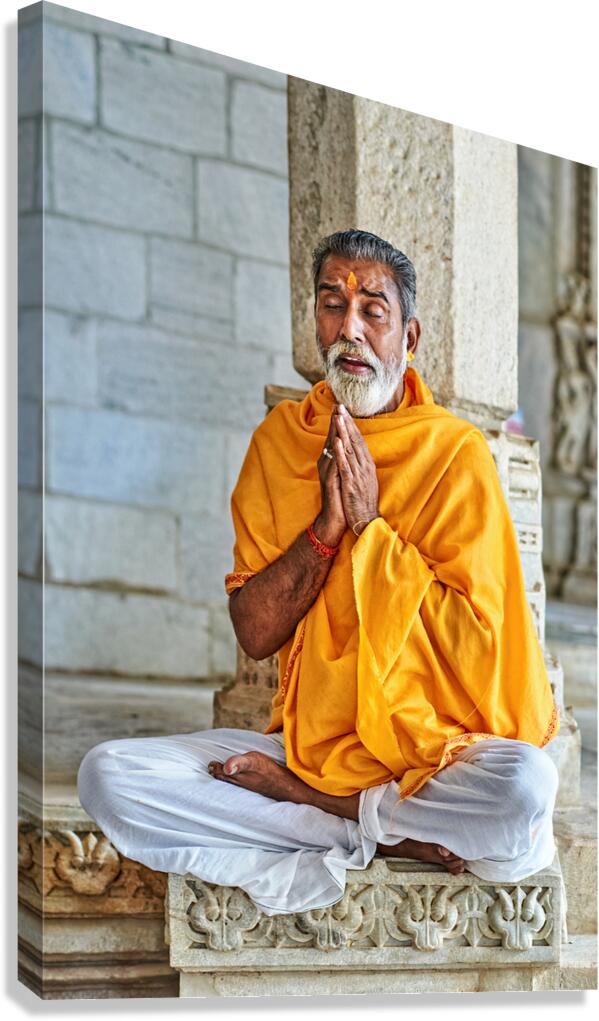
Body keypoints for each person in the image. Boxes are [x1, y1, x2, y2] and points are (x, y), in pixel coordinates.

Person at [77, 229, 560, 918]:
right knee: (109, 776)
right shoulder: (281, 444)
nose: (349, 329)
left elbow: (485, 653)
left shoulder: (455, 456)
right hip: (311, 747)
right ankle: (382, 829)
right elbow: (255, 631)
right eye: (332, 305)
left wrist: (373, 532)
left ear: (408, 334)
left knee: (523, 793)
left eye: (372, 310)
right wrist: (328, 532)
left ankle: (326, 811)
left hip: (431, 761)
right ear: (315, 321)